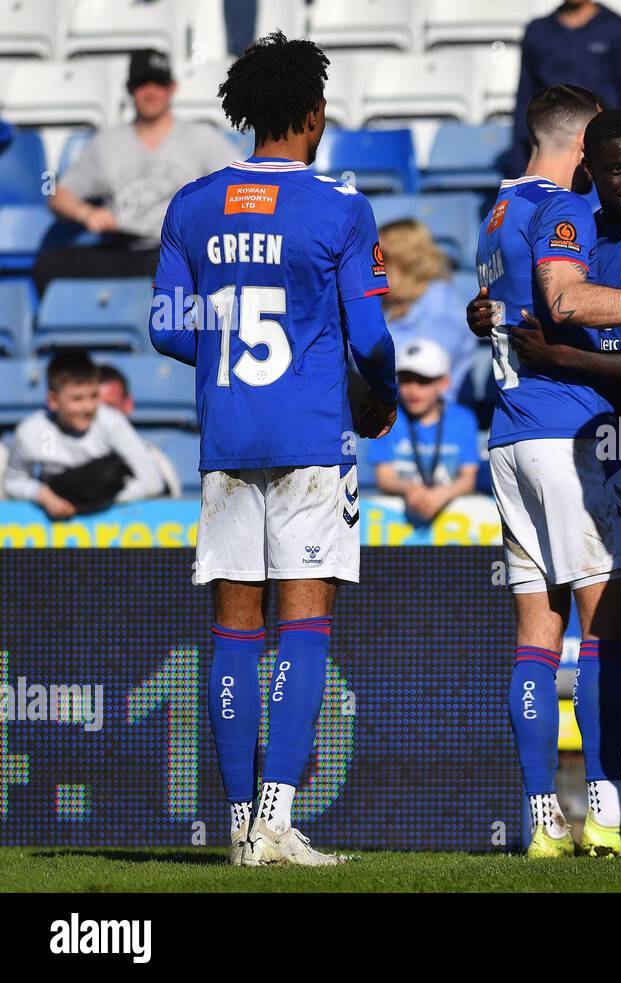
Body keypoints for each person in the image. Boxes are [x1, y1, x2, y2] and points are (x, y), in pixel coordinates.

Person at [149, 32, 398, 867]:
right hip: (309, 439)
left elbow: (164, 326)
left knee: (232, 629)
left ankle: (234, 827)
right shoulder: (339, 207)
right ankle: (278, 821)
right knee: (305, 621)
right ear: (315, 114)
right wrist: (382, 397)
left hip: (227, 436)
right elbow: (370, 337)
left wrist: (226, 362)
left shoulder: (192, 203)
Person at [474, 84, 621, 860]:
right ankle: (608, 810)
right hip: (569, 433)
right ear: (585, 144)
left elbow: (494, 306)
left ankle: (541, 818)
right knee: (605, 628)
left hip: (509, 435)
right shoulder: (560, 211)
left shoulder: (496, 209)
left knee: (534, 637)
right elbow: (564, 301)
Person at [36, 50, 234, 294]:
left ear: (172, 88)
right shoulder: (106, 143)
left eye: (158, 83)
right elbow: (57, 194)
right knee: (47, 265)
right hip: (122, 248)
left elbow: (240, 185)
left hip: (175, 252)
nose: (150, 91)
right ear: (130, 89)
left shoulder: (202, 137)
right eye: (142, 83)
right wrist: (86, 213)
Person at [4, 350, 165, 516]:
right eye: (77, 399)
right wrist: (42, 495)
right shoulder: (31, 432)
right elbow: (13, 482)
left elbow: (152, 481)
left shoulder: (112, 422)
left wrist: (94, 504)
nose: (88, 407)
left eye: (94, 396)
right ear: (53, 401)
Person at [510, 0, 621, 176]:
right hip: (552, 149)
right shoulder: (538, 31)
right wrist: (519, 165)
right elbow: (524, 100)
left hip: (604, 152)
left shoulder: (618, 29)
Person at [371, 339, 480, 525]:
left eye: (423, 381)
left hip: (453, 524)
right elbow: (384, 477)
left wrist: (443, 494)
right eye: (406, 380)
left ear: (444, 383)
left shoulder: (463, 419)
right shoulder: (388, 419)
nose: (413, 390)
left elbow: (468, 479)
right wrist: (409, 488)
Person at [378, 219, 481, 397]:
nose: (374, 266)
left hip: (436, 414)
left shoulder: (440, 298)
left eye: (381, 258)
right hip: (392, 405)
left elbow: (425, 364)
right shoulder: (390, 302)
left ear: (403, 260)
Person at [96, 362, 183, 497]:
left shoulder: (157, 462)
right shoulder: (66, 453)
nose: (103, 417)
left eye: (109, 408)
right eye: (95, 410)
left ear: (128, 405)